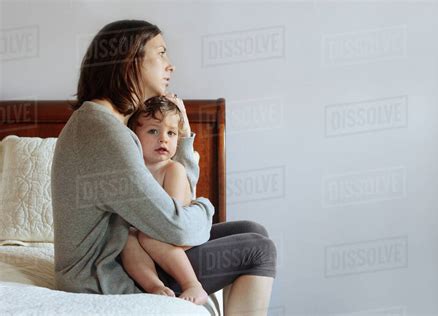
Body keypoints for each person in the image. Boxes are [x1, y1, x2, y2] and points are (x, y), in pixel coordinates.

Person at [51, 19, 276, 315]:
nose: (170, 66)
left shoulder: (105, 123)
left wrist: (182, 139)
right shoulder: (105, 134)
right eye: (161, 53)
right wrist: (204, 208)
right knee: (258, 249)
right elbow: (177, 227)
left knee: (252, 229)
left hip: (122, 254)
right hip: (106, 275)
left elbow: (176, 203)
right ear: (130, 60)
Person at [121, 96, 207, 304]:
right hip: (145, 235)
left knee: (147, 236)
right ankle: (154, 286)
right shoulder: (130, 171)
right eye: (153, 131)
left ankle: (192, 284)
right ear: (133, 136)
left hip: (174, 236)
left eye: (171, 133)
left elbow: (171, 219)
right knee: (126, 239)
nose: (163, 139)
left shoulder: (173, 169)